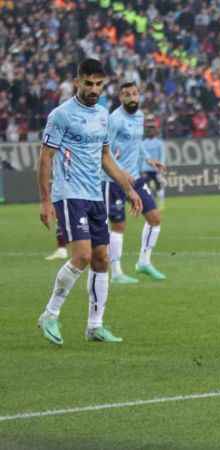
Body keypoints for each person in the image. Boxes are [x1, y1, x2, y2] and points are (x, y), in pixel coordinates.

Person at [36, 58, 142, 346]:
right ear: (77, 82)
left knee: (101, 259)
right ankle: (50, 313)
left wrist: (129, 189)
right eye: (88, 83)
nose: (94, 89)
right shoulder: (61, 115)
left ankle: (95, 326)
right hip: (69, 194)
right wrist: (45, 201)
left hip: (96, 195)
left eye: (98, 84)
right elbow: (45, 157)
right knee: (81, 255)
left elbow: (106, 157)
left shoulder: (103, 116)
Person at [105, 81, 167, 284]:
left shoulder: (140, 116)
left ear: (139, 95)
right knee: (118, 226)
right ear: (120, 98)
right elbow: (104, 150)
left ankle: (144, 262)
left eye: (134, 94)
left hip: (135, 177)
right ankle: (116, 273)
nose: (131, 98)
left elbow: (137, 142)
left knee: (155, 218)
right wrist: (120, 172)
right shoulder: (114, 119)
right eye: (126, 95)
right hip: (113, 179)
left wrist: (149, 158)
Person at [140, 115, 166, 210]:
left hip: (156, 169)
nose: (150, 131)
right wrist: (141, 169)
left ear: (155, 131)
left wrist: (161, 167)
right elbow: (141, 157)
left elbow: (162, 156)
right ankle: (149, 206)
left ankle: (161, 206)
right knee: (146, 188)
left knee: (159, 187)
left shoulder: (159, 143)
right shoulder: (143, 143)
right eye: (149, 129)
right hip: (146, 169)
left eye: (152, 129)